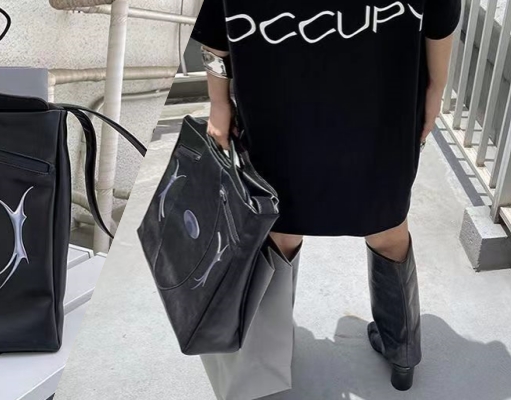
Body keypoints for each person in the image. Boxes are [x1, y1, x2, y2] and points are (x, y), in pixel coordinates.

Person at [191, 0, 461, 393]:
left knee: (281, 229)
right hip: (382, 104)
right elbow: (440, 18)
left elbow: (217, 34)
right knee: (387, 227)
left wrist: (218, 102)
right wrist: (436, 86)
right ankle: (402, 350)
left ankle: (270, 353)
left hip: (278, 107)